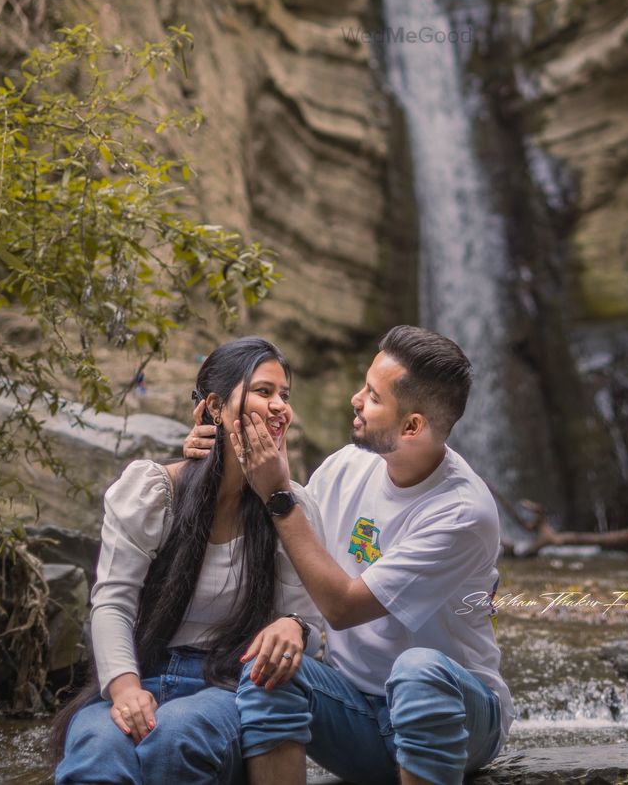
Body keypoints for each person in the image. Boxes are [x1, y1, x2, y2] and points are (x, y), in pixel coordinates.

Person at [183, 324, 513, 785]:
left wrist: (278, 493)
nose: (356, 400)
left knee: (417, 671)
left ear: (412, 425)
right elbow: (290, 552)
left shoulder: (462, 512)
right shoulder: (345, 466)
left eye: (373, 397)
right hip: (354, 713)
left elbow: (341, 606)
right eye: (363, 385)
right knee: (269, 671)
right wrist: (213, 462)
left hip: (456, 720)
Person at [53, 337, 324, 785]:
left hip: (227, 687)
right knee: (97, 751)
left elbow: (312, 629)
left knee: (176, 740)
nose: (280, 407)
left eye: (285, 396)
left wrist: (294, 626)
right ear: (216, 408)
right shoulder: (154, 491)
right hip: (143, 671)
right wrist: (124, 689)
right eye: (264, 391)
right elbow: (112, 603)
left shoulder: (293, 509)